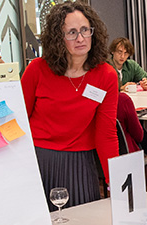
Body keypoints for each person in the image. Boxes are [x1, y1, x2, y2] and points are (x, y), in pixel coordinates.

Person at [22, 2, 118, 207]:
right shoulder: (37, 70)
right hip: (40, 159)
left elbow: (106, 133)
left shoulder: (106, 75)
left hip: (81, 163)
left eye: (85, 30)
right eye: (71, 32)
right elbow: (20, 121)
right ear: (59, 38)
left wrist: (114, 180)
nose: (81, 38)